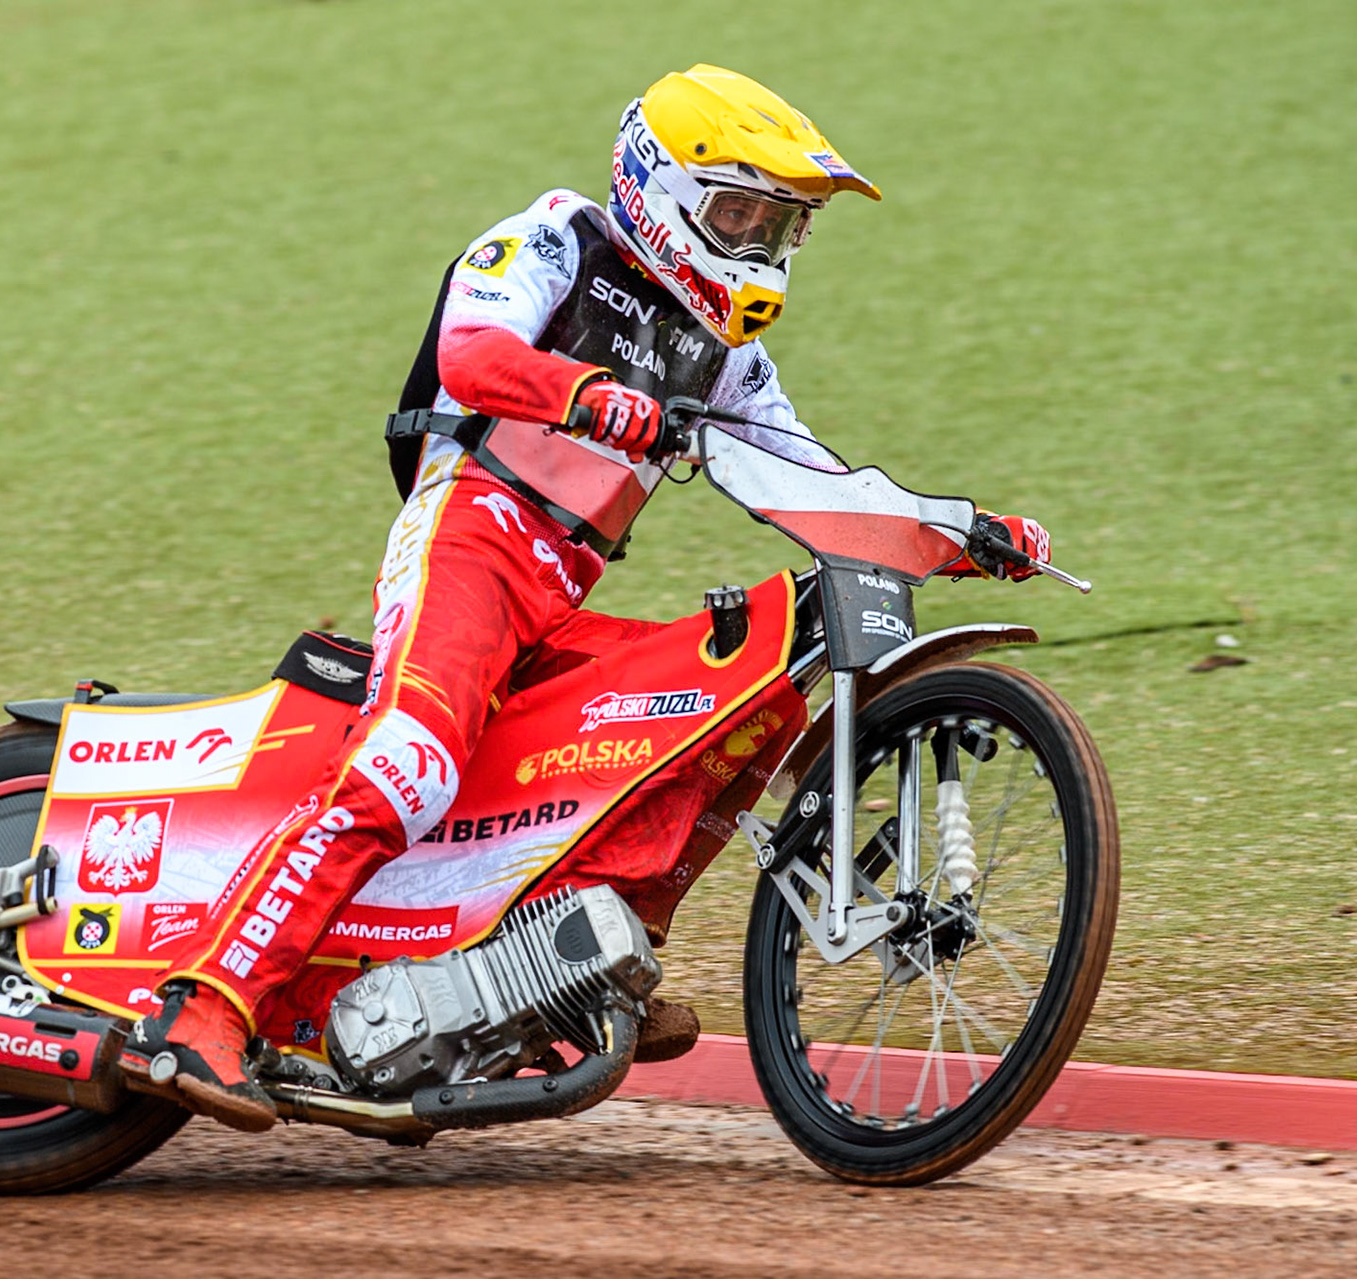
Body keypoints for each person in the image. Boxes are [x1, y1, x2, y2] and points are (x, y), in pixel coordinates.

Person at [127, 64, 1053, 1132]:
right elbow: (470, 358)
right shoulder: (556, 241)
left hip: (557, 591)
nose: (759, 246)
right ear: (660, 190)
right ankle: (201, 1008)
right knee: (408, 763)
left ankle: (594, 951)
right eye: (739, 213)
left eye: (780, 226)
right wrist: (591, 399)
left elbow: (819, 487)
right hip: (469, 537)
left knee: (741, 697)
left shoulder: (730, 360)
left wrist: (959, 531)